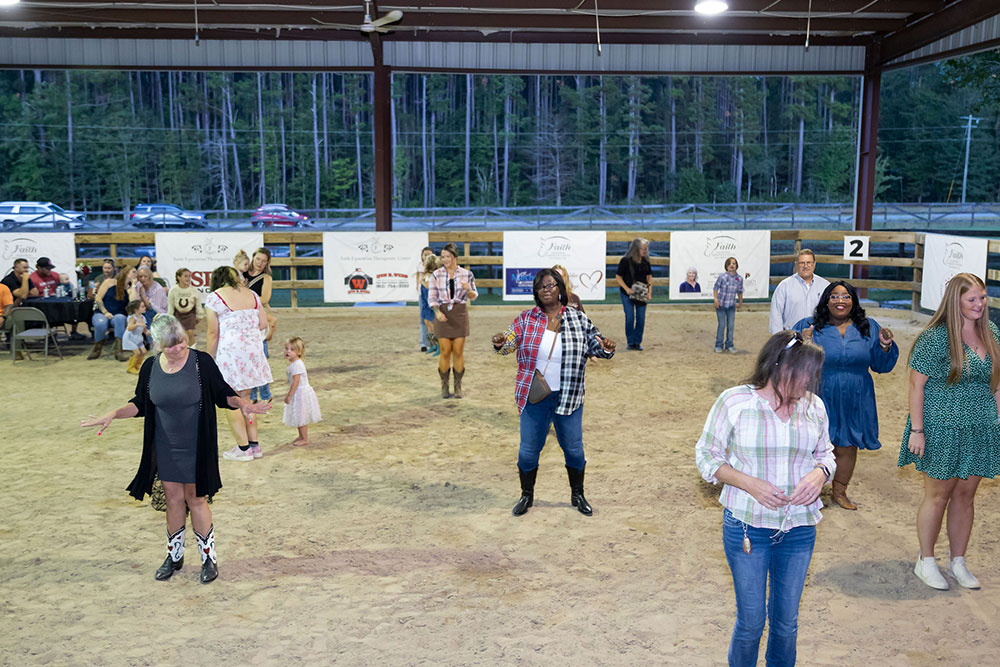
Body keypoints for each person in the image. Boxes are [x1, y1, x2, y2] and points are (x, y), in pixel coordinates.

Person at [80, 314, 270, 583]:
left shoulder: (201, 362)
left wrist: (242, 404)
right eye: (171, 346)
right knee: (172, 499)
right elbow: (140, 404)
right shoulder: (149, 368)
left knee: (196, 499)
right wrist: (113, 413)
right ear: (158, 344)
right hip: (166, 446)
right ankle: (174, 555)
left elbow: (222, 393)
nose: (178, 348)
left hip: (196, 445)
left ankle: (208, 559)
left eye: (181, 342)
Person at [696, 330, 835, 666]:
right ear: (779, 367)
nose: (809, 384)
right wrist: (749, 484)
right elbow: (707, 457)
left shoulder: (814, 406)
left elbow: (827, 454)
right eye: (804, 374)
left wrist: (820, 474)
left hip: (799, 528)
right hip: (747, 527)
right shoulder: (735, 402)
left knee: (787, 624)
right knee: (752, 622)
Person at [898, 273, 1000, 591]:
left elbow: (996, 383)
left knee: (966, 497)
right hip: (942, 426)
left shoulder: (992, 333)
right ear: (955, 301)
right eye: (972, 299)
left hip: (980, 426)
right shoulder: (936, 338)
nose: (979, 305)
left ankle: (958, 560)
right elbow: (917, 384)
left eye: (982, 298)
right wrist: (917, 430)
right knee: (938, 495)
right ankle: (926, 560)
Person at [492, 269, 616, 517]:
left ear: (560, 288)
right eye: (541, 287)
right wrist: (499, 343)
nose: (546, 290)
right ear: (536, 293)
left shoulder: (578, 319)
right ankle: (526, 495)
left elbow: (597, 346)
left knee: (574, 450)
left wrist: (607, 347)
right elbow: (508, 344)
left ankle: (577, 494)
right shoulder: (526, 319)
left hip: (569, 396)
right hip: (534, 397)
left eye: (551, 285)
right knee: (528, 451)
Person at [793, 280, 898, 510]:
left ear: (854, 301)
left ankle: (839, 491)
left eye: (846, 296)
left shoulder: (868, 327)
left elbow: (881, 366)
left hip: (857, 395)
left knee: (848, 445)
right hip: (818, 392)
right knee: (812, 443)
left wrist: (885, 347)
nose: (841, 301)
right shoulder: (808, 325)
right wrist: (802, 342)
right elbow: (786, 359)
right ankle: (810, 492)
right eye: (835, 296)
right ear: (826, 300)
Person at [205, 266, 273, 461]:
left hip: (231, 353)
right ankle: (254, 446)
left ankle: (243, 449)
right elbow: (262, 324)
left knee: (230, 400)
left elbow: (212, 333)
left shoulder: (215, 298)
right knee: (246, 397)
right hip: (253, 352)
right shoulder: (252, 295)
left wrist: (208, 360)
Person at [428, 242, 478, 398]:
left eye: (448, 256)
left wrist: (468, 289)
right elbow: (432, 297)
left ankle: (458, 386)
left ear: (455, 257)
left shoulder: (467, 274)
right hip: (442, 313)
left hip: (460, 313)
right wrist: (437, 312)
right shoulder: (436, 275)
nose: (445, 259)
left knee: (458, 352)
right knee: (445, 352)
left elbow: (474, 296)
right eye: (443, 257)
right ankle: (444, 386)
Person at [768, 249, 829, 334]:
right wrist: (779, 338)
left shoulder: (825, 286)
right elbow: (776, 315)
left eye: (809, 262)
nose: (805, 266)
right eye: (802, 263)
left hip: (819, 335)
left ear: (814, 264)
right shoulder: (784, 286)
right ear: (796, 264)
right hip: (792, 336)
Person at [244, 248, 276, 404]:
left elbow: (264, 299)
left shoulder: (266, 278)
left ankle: (264, 393)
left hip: (256, 320)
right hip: (243, 321)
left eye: (264, 261)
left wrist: (243, 300)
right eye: (258, 259)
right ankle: (251, 395)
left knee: (260, 358)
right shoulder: (241, 274)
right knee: (247, 358)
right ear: (253, 258)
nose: (260, 263)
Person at [282, 336, 322, 446]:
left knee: (301, 416)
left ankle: (305, 438)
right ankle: (301, 436)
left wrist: (289, 395)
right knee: (298, 415)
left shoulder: (297, 365)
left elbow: (296, 382)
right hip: (298, 392)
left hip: (300, 393)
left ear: (299, 352)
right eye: (286, 348)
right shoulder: (294, 364)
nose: (288, 352)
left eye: (292, 350)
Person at [90, 267, 135, 361]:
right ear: (125, 273)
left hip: (118, 314)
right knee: (101, 323)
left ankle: (118, 351)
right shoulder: (109, 282)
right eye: (134, 272)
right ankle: (97, 348)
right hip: (102, 312)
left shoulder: (130, 289)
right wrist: (105, 312)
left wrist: (134, 286)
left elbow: (133, 304)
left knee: (120, 319)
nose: (136, 274)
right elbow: (98, 298)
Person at [615, 237, 652, 351]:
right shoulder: (625, 261)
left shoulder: (646, 261)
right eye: (643, 249)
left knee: (641, 318)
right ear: (636, 249)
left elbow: (649, 277)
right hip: (627, 293)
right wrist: (626, 289)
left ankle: (637, 341)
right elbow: (618, 276)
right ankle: (631, 341)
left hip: (642, 293)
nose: (645, 251)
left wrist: (649, 292)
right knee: (630, 317)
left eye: (646, 248)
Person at [713, 257, 745, 354]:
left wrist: (740, 302)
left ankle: (729, 344)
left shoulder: (739, 279)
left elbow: (739, 291)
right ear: (726, 266)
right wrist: (715, 299)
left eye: (734, 263)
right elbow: (715, 288)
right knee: (722, 325)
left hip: (731, 305)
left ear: (736, 266)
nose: (732, 265)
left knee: (731, 326)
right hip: (721, 305)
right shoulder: (722, 277)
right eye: (730, 264)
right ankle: (718, 345)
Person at [167, 268, 204, 347]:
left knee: (190, 333)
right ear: (179, 277)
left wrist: (200, 315)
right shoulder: (173, 290)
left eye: (189, 276)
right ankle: (182, 350)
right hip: (178, 314)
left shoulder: (193, 290)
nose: (188, 278)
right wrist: (170, 317)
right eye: (185, 276)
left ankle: (192, 351)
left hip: (190, 314)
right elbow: (171, 305)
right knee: (180, 335)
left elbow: (198, 304)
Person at [419, 253, 441, 356]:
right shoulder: (425, 274)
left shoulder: (436, 275)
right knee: (428, 324)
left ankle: (439, 346)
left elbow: (429, 287)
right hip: (425, 302)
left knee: (433, 325)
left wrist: (423, 282)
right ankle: (432, 345)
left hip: (432, 302)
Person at [123, 299, 148, 374]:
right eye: (142, 307)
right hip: (130, 338)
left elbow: (144, 330)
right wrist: (138, 324)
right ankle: (131, 368)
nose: (145, 308)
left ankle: (137, 365)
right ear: (136, 310)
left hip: (138, 337)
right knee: (137, 353)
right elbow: (129, 328)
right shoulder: (132, 318)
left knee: (144, 352)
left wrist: (150, 333)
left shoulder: (143, 318)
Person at [416, 246, 434, 351]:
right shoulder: (419, 266)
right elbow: (418, 278)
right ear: (422, 256)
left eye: (429, 254)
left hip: (432, 294)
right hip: (422, 295)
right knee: (423, 318)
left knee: (433, 319)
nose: (427, 256)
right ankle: (423, 343)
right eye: (425, 254)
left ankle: (433, 342)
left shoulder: (435, 266)